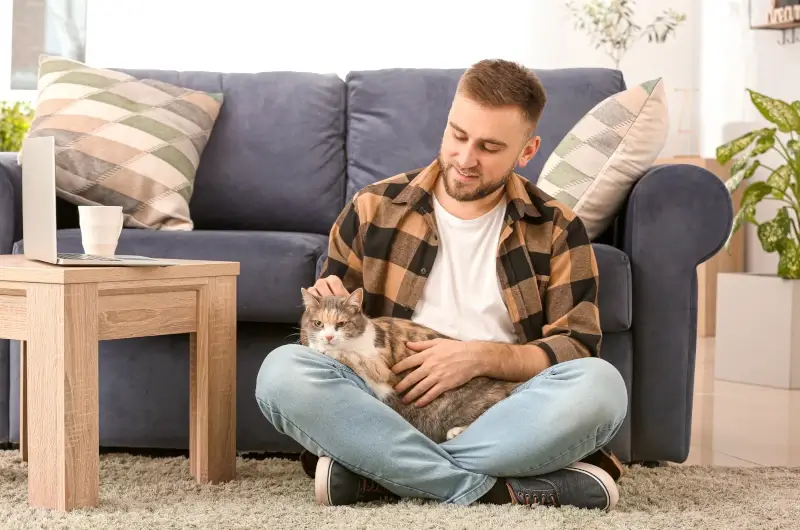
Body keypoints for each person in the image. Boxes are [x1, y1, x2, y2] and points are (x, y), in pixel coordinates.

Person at [255, 59, 628, 511]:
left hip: (495, 411)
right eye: (458, 135)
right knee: (281, 373)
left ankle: (383, 475)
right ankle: (496, 489)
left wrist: (479, 357)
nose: (466, 159)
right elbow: (328, 339)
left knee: (602, 387)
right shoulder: (374, 208)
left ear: (526, 152)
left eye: (490, 147)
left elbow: (577, 348)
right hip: (385, 408)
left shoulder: (556, 228)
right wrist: (323, 306)